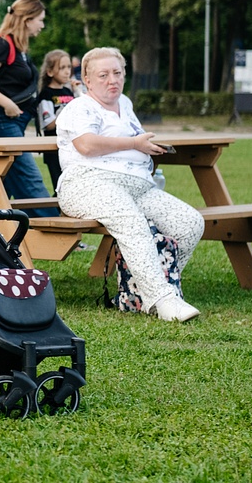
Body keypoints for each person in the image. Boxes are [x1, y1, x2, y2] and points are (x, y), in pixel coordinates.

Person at [55, 47, 204, 322]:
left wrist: (147, 148)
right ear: (87, 79)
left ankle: (137, 293)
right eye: (103, 75)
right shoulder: (80, 107)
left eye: (117, 73)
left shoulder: (124, 103)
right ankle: (163, 300)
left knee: (190, 223)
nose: (112, 80)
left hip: (137, 186)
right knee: (132, 222)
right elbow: (86, 144)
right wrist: (134, 144)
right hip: (87, 183)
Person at [0, 0, 55, 211]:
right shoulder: (2, 45)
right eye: (40, 20)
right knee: (32, 181)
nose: (42, 25)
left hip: (12, 124)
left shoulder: (20, 49)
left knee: (2, 189)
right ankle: (55, 232)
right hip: (3, 122)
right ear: (27, 20)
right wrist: (7, 104)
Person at [36, 48, 78, 192]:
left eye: (68, 67)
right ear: (50, 72)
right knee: (60, 188)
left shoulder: (68, 92)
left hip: (72, 146)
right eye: (62, 68)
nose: (67, 71)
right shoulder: (46, 94)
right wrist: (65, 112)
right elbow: (47, 124)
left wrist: (78, 93)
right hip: (54, 148)